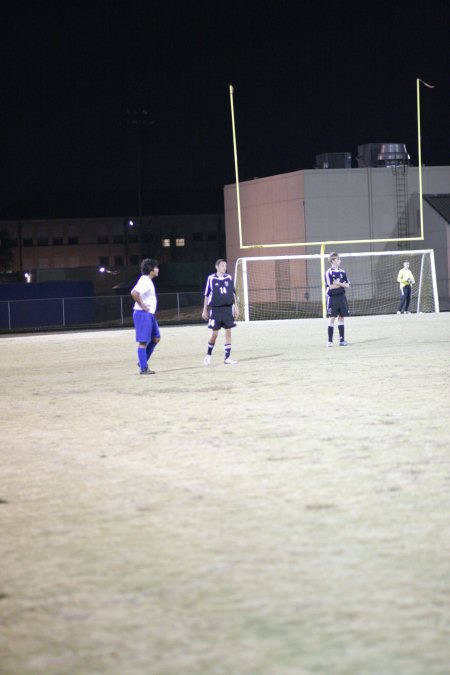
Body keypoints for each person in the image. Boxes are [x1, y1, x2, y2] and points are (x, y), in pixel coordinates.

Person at [202, 259, 239, 365]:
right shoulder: (211, 278)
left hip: (227, 309)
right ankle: (208, 355)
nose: (225, 267)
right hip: (216, 309)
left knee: (228, 333)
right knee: (215, 334)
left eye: (225, 265)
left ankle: (227, 358)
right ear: (217, 267)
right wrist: (204, 309)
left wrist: (236, 307)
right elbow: (207, 294)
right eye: (223, 265)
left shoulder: (229, 277)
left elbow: (233, 293)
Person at [131, 258, 160, 374]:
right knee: (143, 342)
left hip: (149, 314)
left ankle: (142, 361)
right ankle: (143, 368)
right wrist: (142, 305)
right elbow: (134, 293)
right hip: (142, 314)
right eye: (156, 267)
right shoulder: (144, 280)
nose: (158, 269)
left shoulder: (148, 280)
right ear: (150, 269)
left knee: (156, 338)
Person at [325, 252, 350, 347]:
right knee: (332, 318)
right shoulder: (328, 272)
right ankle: (330, 341)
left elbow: (347, 285)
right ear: (333, 261)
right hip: (332, 298)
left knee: (341, 318)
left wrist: (338, 283)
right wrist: (340, 284)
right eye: (338, 259)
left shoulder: (342, 272)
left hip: (341, 297)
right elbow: (330, 286)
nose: (340, 261)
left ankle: (342, 340)